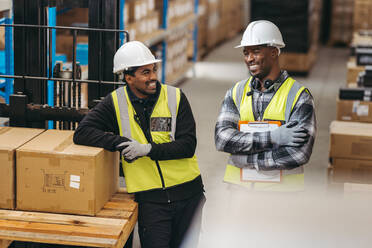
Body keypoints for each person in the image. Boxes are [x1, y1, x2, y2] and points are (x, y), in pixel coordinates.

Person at [73, 41, 205, 248]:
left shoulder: (175, 97)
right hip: (151, 202)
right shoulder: (115, 102)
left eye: (153, 70)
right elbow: (82, 133)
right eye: (145, 72)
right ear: (128, 77)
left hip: (188, 194)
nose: (153, 77)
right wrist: (120, 143)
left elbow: (188, 145)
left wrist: (148, 150)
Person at [215, 20, 316, 191]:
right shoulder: (236, 92)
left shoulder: (299, 96)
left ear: (274, 52)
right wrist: (273, 138)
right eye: (245, 53)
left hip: (281, 199)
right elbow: (222, 139)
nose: (249, 59)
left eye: (256, 51)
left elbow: (298, 153)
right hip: (240, 193)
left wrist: (247, 160)